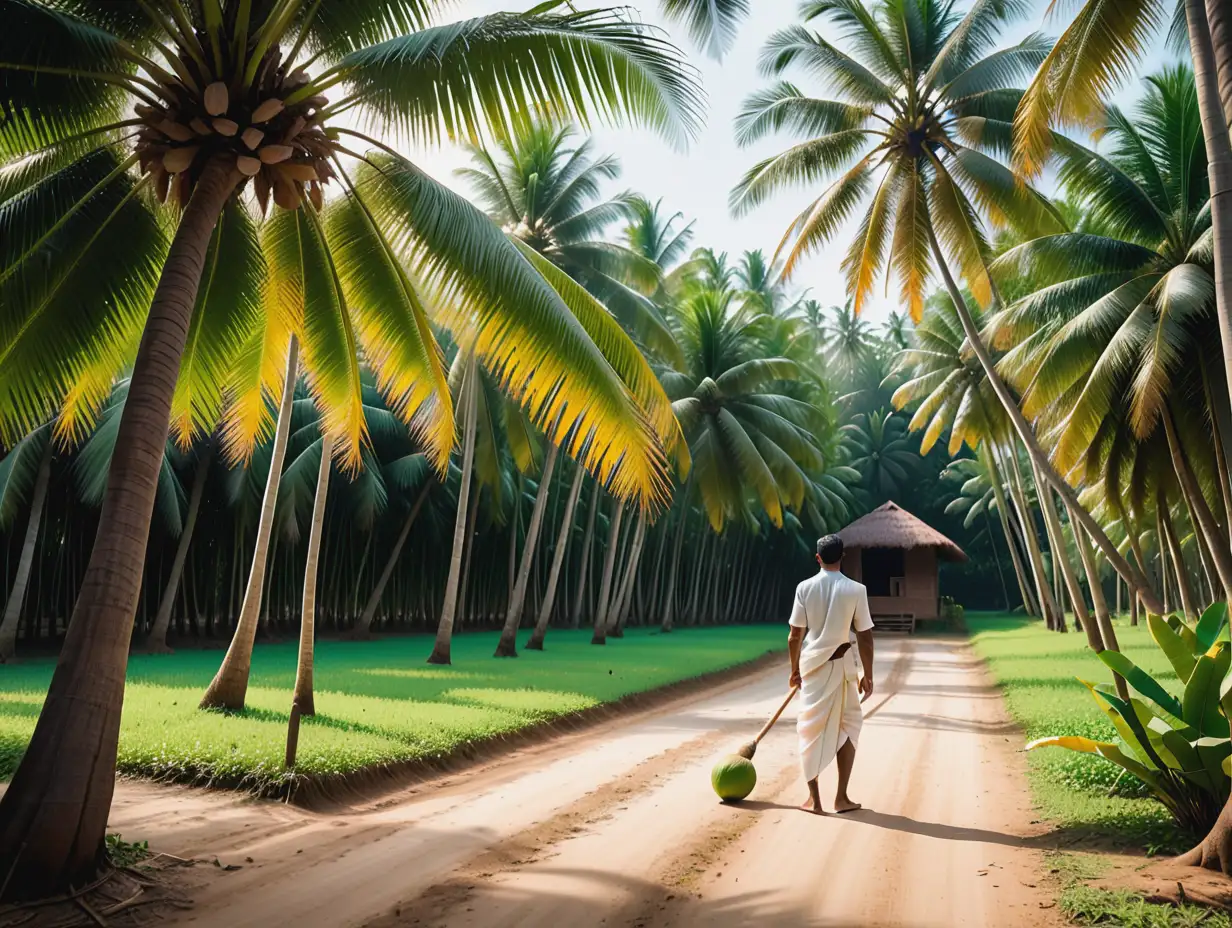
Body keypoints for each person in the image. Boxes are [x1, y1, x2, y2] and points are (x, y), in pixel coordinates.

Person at [787, 533, 875, 815]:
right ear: (843, 556)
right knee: (848, 724)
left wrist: (794, 670)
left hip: (811, 666)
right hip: (843, 666)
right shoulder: (856, 590)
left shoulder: (804, 587)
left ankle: (814, 799)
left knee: (809, 729)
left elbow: (794, 636)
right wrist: (868, 674)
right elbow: (865, 637)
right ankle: (841, 798)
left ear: (817, 558)